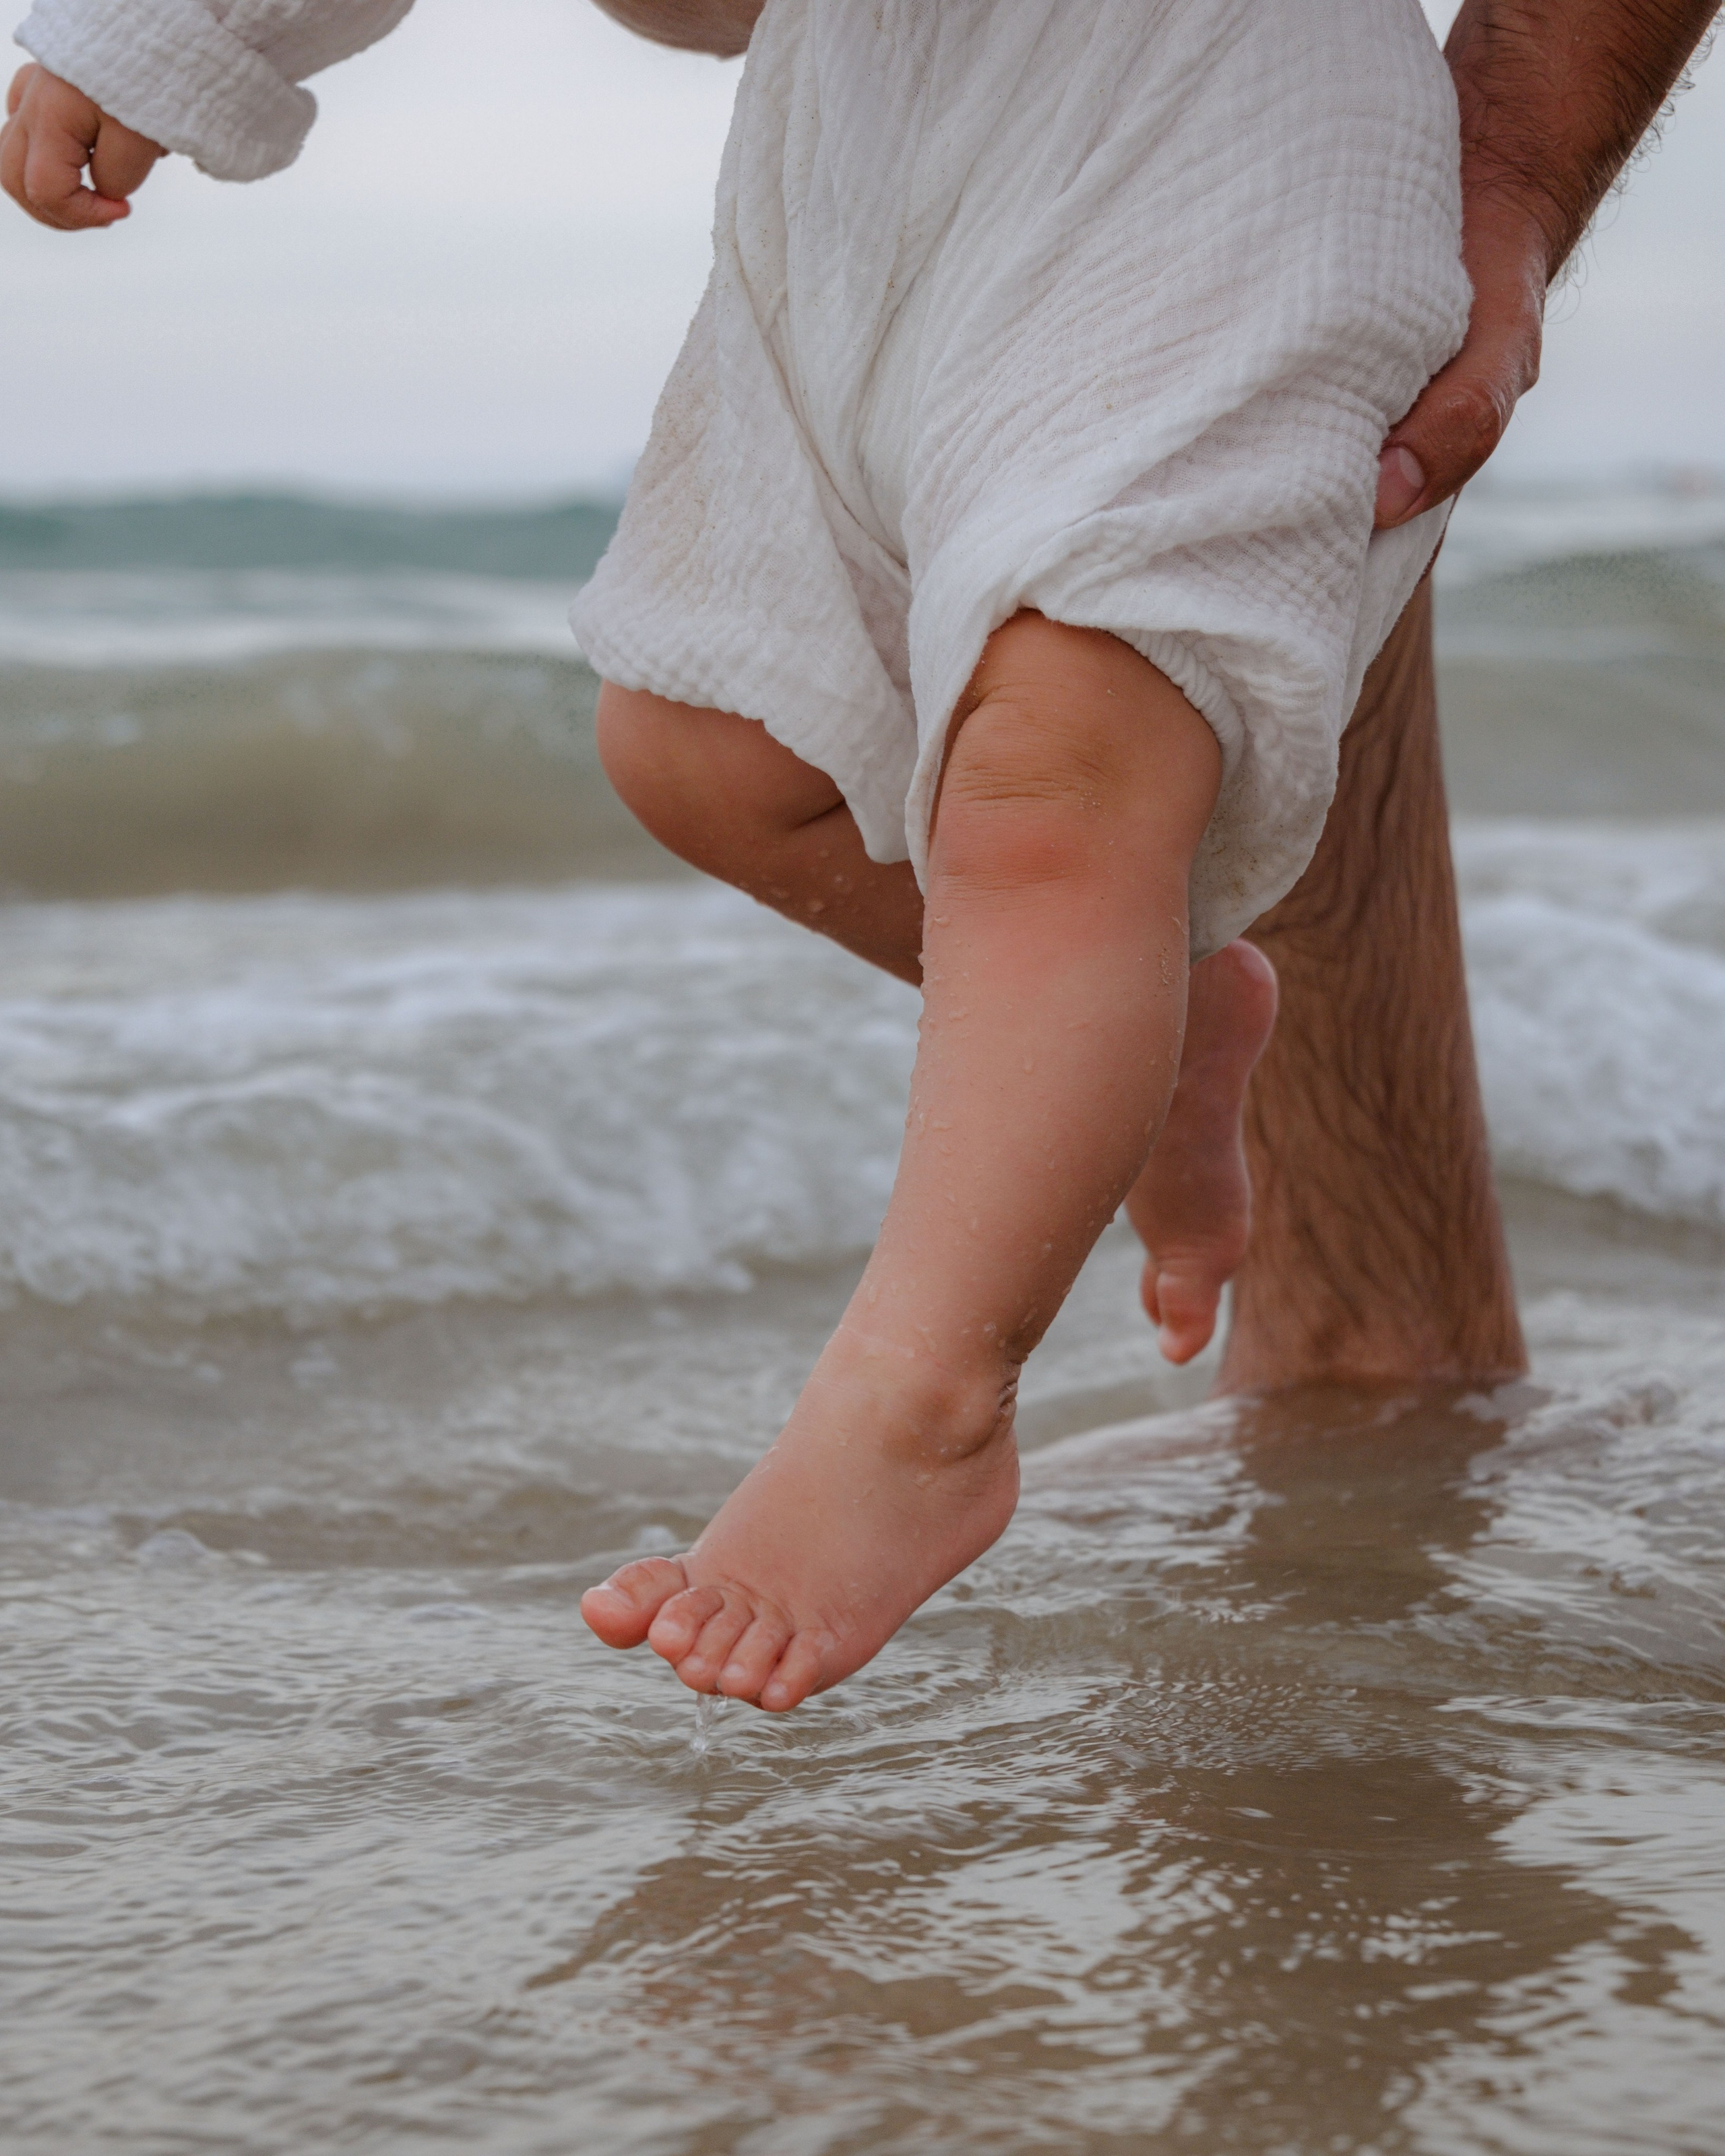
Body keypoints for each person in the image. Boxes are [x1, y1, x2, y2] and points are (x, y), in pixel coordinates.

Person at [4, 0, 1716, 1712]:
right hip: (861, 171)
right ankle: (1157, 1021)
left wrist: (1505, 176)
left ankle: (926, 1403)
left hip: (1211, 144)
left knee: (1059, 779)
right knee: (703, 743)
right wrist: (177, 34)